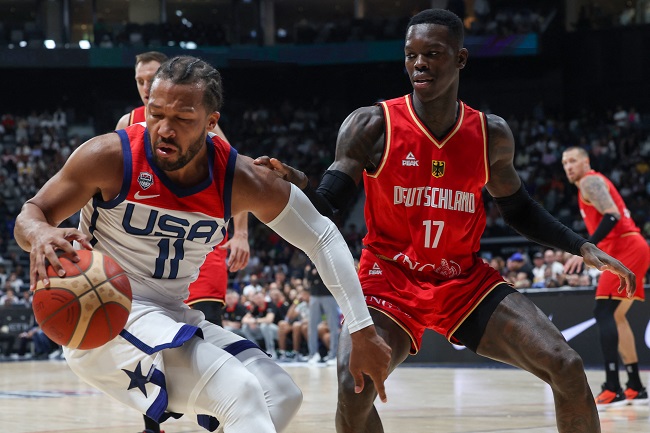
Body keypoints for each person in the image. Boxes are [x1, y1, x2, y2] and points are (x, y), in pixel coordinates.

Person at [254, 9, 636, 433]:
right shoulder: (372, 125)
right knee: (352, 382)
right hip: (390, 278)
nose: (419, 63)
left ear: (460, 59)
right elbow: (327, 205)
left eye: (432, 54)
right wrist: (295, 186)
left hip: (463, 280)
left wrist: (582, 246)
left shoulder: (491, 134)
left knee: (566, 365)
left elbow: (520, 210)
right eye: (411, 54)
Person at [14, 55, 391, 433]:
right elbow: (31, 214)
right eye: (156, 113)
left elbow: (321, 234)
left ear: (211, 123)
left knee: (280, 394)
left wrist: (362, 328)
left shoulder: (240, 178)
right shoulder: (109, 156)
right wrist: (41, 232)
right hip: (103, 313)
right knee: (238, 390)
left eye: (182, 119)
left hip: (169, 312)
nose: (163, 129)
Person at [116, 51, 250, 433]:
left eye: (149, 80)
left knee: (205, 326)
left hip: (194, 241)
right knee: (148, 343)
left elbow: (236, 174)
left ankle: (219, 419)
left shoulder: (196, 123)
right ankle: (152, 423)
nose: (144, 87)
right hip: (145, 247)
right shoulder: (127, 125)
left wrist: (240, 233)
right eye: (139, 81)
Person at [561, 146, 650, 409]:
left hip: (626, 246)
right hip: (629, 246)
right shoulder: (587, 185)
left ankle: (613, 386)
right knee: (616, 315)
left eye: (574, 160)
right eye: (565, 162)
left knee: (604, 312)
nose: (568, 166)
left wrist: (585, 248)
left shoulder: (589, 181)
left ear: (586, 162)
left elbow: (612, 215)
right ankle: (634, 384)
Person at [304, 262, 341, 365]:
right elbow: (309, 279)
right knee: (311, 325)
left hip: (328, 295)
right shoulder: (311, 263)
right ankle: (313, 354)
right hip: (314, 295)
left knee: (333, 325)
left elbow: (330, 276)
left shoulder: (328, 260)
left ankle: (333, 355)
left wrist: (316, 274)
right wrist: (313, 274)